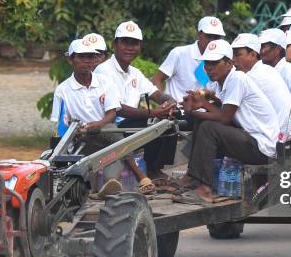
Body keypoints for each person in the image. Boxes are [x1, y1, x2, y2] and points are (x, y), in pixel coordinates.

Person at [180, 40, 279, 203]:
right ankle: (193, 177)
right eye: (207, 63)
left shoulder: (237, 78)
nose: (209, 68)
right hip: (248, 137)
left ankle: (204, 189)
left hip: (262, 146)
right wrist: (203, 104)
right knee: (202, 122)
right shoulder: (222, 82)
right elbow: (223, 112)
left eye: (215, 63)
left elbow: (224, 118)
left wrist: (195, 109)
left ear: (229, 63)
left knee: (208, 127)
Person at [50, 39, 154, 194]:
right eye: (82, 57)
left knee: (113, 133)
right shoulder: (62, 90)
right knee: (117, 146)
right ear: (71, 60)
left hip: (106, 134)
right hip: (81, 140)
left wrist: (98, 124)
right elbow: (61, 125)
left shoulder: (105, 82)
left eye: (91, 57)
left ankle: (111, 183)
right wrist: (76, 133)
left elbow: (112, 114)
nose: (87, 61)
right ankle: (138, 176)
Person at [94, 20, 179, 182]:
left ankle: (155, 169)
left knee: (169, 121)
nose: (130, 47)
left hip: (130, 127)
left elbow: (156, 94)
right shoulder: (103, 70)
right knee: (153, 121)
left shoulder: (135, 73)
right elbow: (117, 109)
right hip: (112, 128)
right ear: (114, 44)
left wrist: (170, 102)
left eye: (134, 43)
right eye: (125, 42)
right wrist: (152, 112)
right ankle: (151, 172)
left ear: (140, 47)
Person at [230, 33, 291, 141]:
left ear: (253, 55)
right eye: (232, 55)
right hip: (284, 133)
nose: (233, 60)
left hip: (278, 138)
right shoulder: (266, 70)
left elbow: (228, 113)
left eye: (237, 55)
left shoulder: (252, 77)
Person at [151, 16, 225, 101]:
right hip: (177, 111)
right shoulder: (179, 53)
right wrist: (166, 104)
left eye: (216, 37)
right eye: (209, 36)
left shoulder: (224, 61)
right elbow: (156, 80)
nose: (212, 41)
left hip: (206, 113)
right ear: (199, 35)